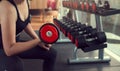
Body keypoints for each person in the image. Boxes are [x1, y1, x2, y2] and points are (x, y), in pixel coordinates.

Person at [0, 0, 57, 71]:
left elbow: (25, 22)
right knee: (16, 66)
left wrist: (38, 39)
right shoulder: (7, 7)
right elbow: (9, 49)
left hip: (15, 43)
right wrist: (38, 40)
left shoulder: (25, 1)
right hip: (3, 48)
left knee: (51, 53)